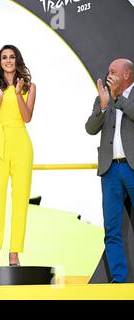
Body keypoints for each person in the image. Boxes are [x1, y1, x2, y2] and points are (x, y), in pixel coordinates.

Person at [0, 45, 36, 267]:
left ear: (18, 60)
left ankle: (14, 252)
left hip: (21, 143)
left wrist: (17, 94)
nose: (8, 60)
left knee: (20, 199)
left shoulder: (29, 86)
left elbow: (27, 117)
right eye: (4, 57)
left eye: (12, 57)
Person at [85, 58, 134, 283]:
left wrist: (117, 99)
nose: (108, 75)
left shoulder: (127, 97)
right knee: (112, 229)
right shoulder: (103, 97)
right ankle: (119, 280)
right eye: (108, 71)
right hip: (110, 171)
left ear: (127, 75)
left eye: (113, 71)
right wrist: (104, 106)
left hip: (132, 169)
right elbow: (90, 128)